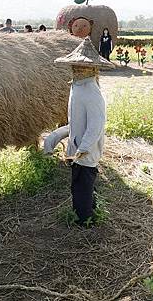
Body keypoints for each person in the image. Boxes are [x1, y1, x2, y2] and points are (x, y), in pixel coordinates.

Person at [43, 37, 116, 226]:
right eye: (74, 66)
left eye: (81, 66)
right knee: (79, 186)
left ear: (92, 69)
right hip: (77, 150)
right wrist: (54, 137)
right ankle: (87, 213)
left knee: (83, 186)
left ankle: (85, 222)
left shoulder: (91, 93)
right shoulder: (77, 89)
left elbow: (96, 125)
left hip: (85, 151)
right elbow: (76, 123)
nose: (77, 70)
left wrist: (83, 147)